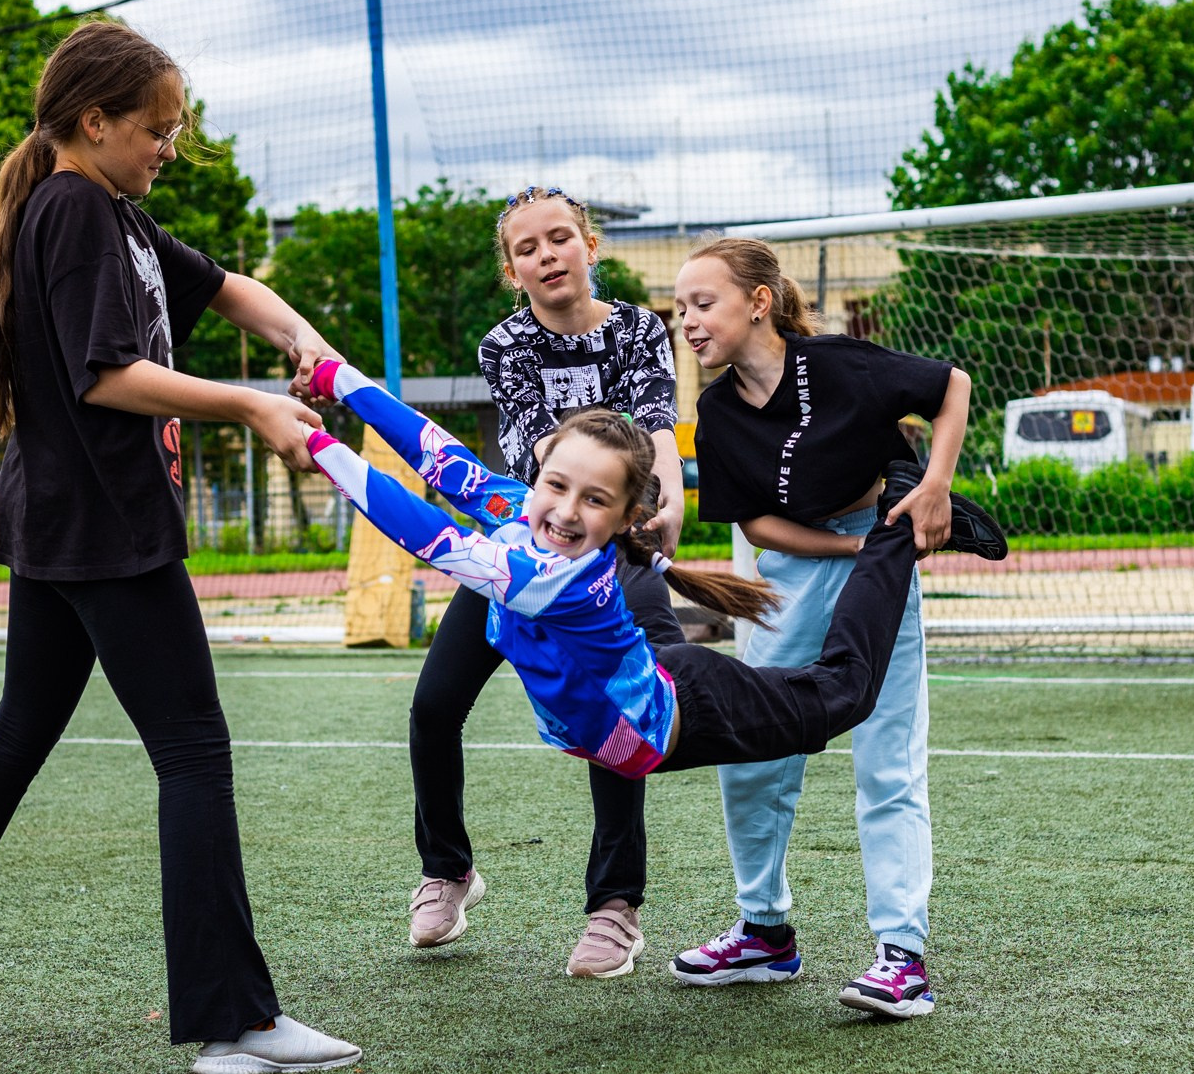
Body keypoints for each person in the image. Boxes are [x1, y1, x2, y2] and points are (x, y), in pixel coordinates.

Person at [0, 21, 362, 1074]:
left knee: (23, 726)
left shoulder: (116, 213)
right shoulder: (77, 210)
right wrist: (248, 405)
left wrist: (307, 349)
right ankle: (233, 1022)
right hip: (104, 524)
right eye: (156, 127)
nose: (169, 146)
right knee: (192, 751)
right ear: (94, 123)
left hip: (62, 521)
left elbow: (228, 287)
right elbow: (106, 375)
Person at [299, 355, 1005, 831]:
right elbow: (436, 454)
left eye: (594, 500)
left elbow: (423, 530)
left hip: (686, 715)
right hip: (650, 687)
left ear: (626, 518)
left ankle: (897, 521)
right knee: (769, 681)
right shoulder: (523, 512)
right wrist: (337, 377)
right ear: (538, 472)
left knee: (844, 693)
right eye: (558, 487)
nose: (567, 511)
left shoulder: (548, 578)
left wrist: (319, 448)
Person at [670, 238, 995, 1021]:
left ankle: (901, 957)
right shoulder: (714, 414)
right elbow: (760, 525)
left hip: (880, 554)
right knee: (754, 753)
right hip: (801, 570)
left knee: (886, 760)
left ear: (757, 302)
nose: (687, 321)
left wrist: (935, 491)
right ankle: (764, 933)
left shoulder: (841, 363)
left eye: (702, 303)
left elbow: (952, 386)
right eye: (679, 308)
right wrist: (854, 550)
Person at [405, 187, 681, 979]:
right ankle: (447, 871)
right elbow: (544, 456)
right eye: (528, 248)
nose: (548, 255)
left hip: (612, 549)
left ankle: (614, 908)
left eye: (561, 238)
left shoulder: (638, 329)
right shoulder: (507, 344)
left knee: (616, 724)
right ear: (512, 270)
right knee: (432, 708)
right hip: (527, 550)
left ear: (591, 245)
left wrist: (666, 499)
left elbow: (655, 429)